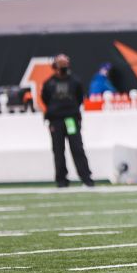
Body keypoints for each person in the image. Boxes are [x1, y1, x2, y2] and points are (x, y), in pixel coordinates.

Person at [41, 54, 94, 188]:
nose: (63, 66)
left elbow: (79, 98)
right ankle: (61, 180)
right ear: (55, 65)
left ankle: (86, 178)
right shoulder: (49, 83)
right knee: (58, 150)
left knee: (77, 148)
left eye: (65, 63)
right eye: (60, 63)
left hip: (71, 119)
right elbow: (45, 99)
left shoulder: (74, 81)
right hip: (56, 121)